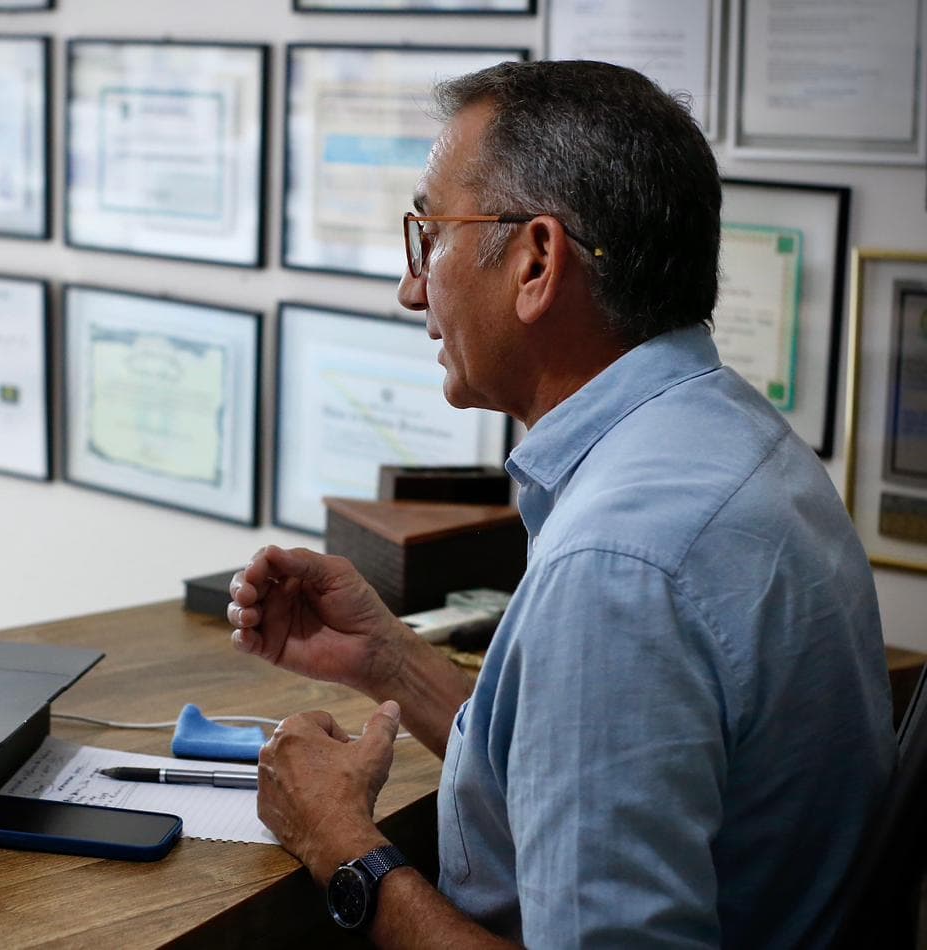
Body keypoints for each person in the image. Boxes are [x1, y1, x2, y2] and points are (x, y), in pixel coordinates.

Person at [227, 60, 895, 947]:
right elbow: (569, 753)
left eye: (431, 236)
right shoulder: (732, 437)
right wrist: (388, 660)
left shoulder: (619, 566)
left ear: (537, 261)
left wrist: (340, 843)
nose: (413, 287)